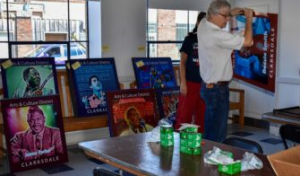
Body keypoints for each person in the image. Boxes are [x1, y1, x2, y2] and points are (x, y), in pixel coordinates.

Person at [197, 0, 253, 142]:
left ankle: (208, 158)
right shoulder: (217, 35)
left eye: (229, 16)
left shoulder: (203, 24)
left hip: (209, 87)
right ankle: (212, 161)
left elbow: (213, 15)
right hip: (217, 90)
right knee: (217, 134)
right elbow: (248, 42)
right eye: (225, 16)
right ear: (214, 14)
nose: (227, 20)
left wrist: (232, 12)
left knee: (211, 130)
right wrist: (249, 19)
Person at [174, 12, 206, 133]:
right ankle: (178, 144)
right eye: (203, 23)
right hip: (190, 83)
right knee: (184, 116)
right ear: (198, 23)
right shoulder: (190, 39)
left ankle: (201, 144)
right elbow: (182, 63)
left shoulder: (211, 40)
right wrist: (183, 83)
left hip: (205, 85)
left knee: (202, 117)